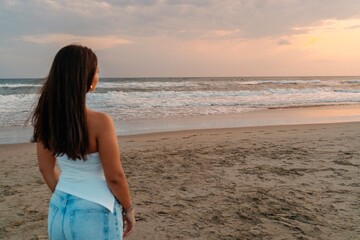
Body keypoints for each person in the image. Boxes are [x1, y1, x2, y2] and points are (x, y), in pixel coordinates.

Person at [30, 44, 135, 239]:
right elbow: (115, 177)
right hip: (94, 209)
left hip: (59, 207)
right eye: (97, 72)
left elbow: (46, 169)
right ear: (87, 79)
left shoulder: (46, 119)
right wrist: (128, 208)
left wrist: (69, 193)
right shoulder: (101, 122)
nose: (98, 76)